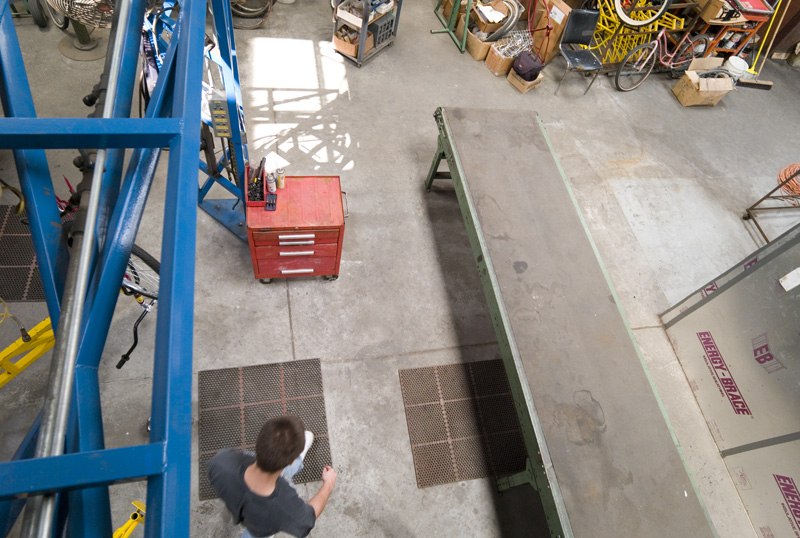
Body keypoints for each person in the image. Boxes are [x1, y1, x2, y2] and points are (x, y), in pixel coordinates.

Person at [208, 415, 338, 538]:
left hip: (240, 503)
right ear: (291, 460)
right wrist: (328, 484)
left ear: (259, 441)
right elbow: (308, 518)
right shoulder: (285, 507)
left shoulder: (221, 462)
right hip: (262, 525)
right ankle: (299, 457)